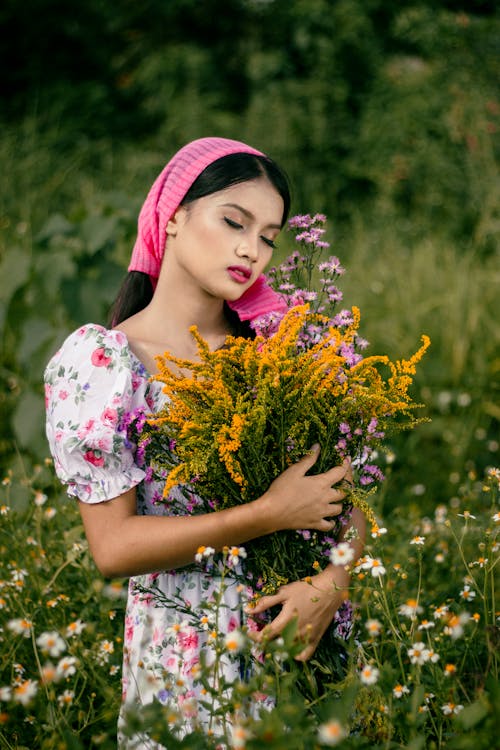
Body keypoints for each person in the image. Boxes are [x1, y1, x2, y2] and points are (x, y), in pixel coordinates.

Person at [44, 137, 365, 747]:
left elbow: (349, 501)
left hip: (298, 651)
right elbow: (112, 548)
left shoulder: (283, 351)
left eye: (269, 236)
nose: (252, 249)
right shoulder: (107, 363)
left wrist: (332, 584)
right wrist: (267, 514)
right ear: (174, 214)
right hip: (180, 668)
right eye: (234, 221)